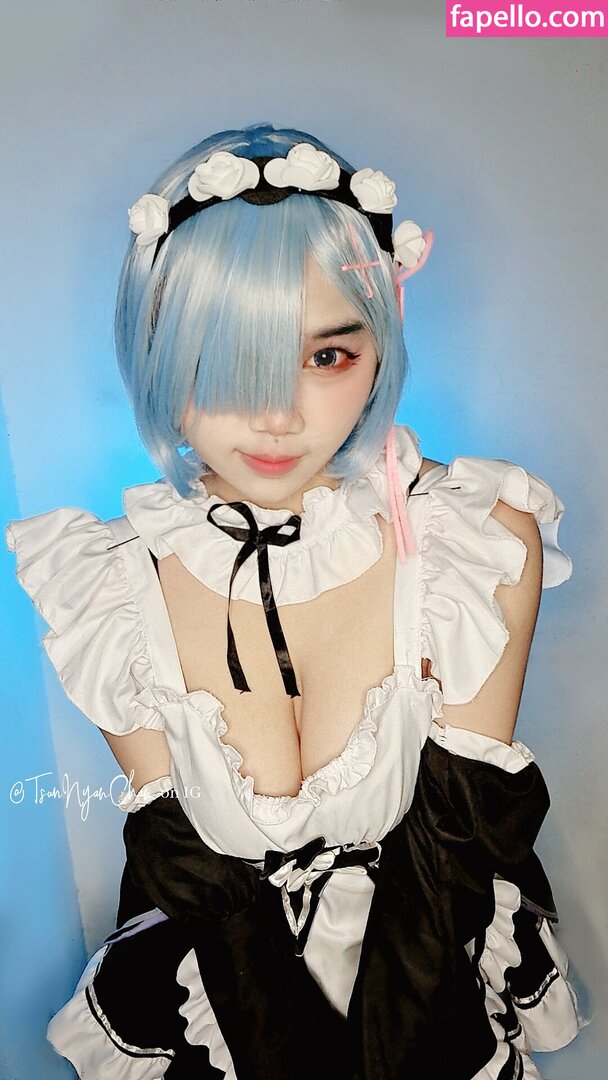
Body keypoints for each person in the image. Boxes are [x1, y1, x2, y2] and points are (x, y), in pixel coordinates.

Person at [5, 123, 584, 1078]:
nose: (276, 414)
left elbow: (451, 858)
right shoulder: (107, 585)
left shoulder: (471, 540)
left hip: (432, 972)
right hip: (228, 992)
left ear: (379, 348)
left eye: (326, 357)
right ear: (154, 350)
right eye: (225, 357)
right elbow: (203, 889)